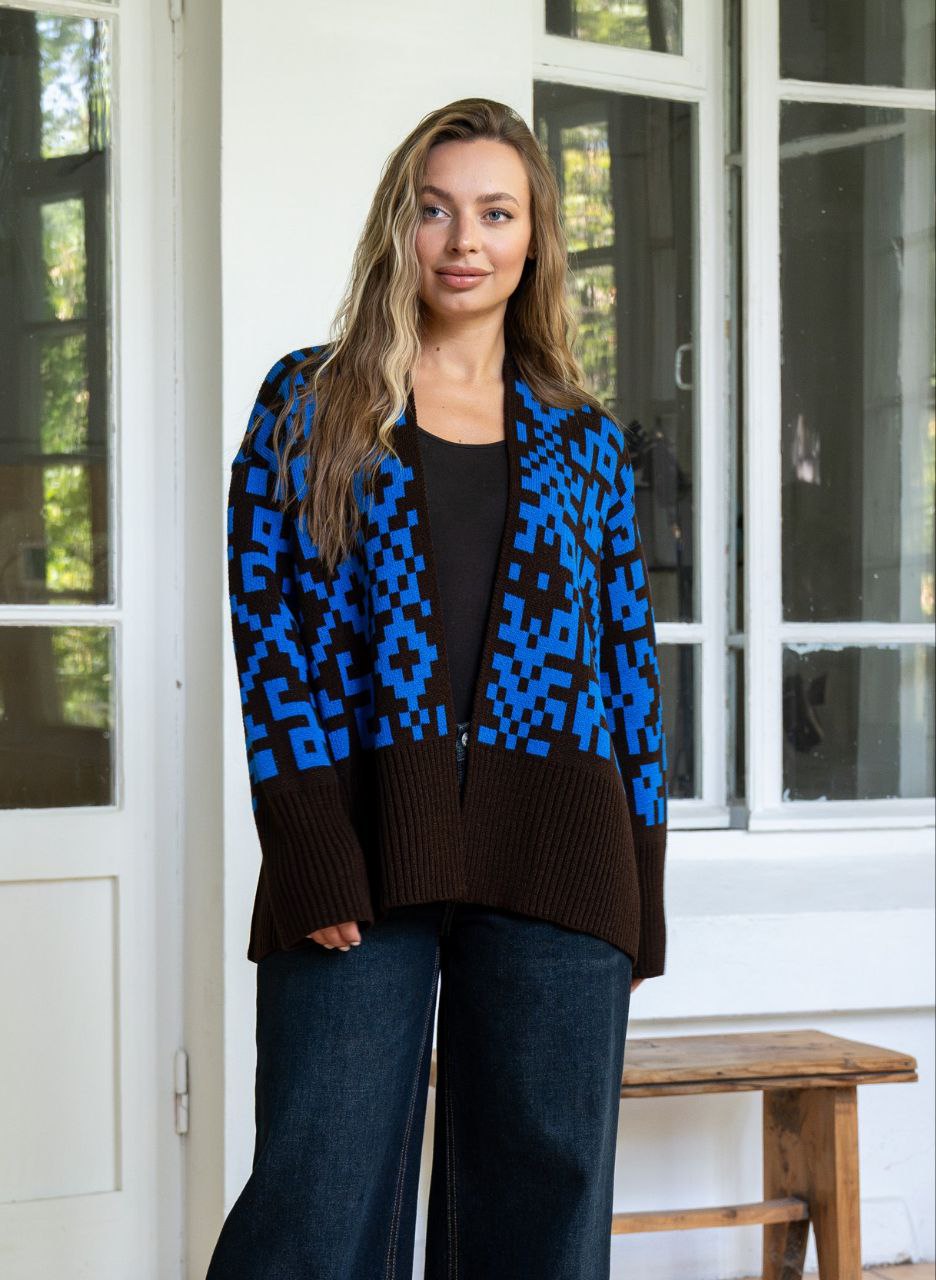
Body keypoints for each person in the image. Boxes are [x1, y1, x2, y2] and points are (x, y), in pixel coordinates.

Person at [207, 96, 668, 1280]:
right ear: (397, 227)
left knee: (543, 1214)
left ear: (535, 236)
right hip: (360, 841)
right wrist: (306, 839)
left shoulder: (586, 440)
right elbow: (270, 633)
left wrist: (642, 875)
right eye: (436, 210)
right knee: (314, 1202)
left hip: (561, 852)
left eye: (496, 213)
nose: (465, 241)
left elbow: (628, 661)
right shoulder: (310, 402)